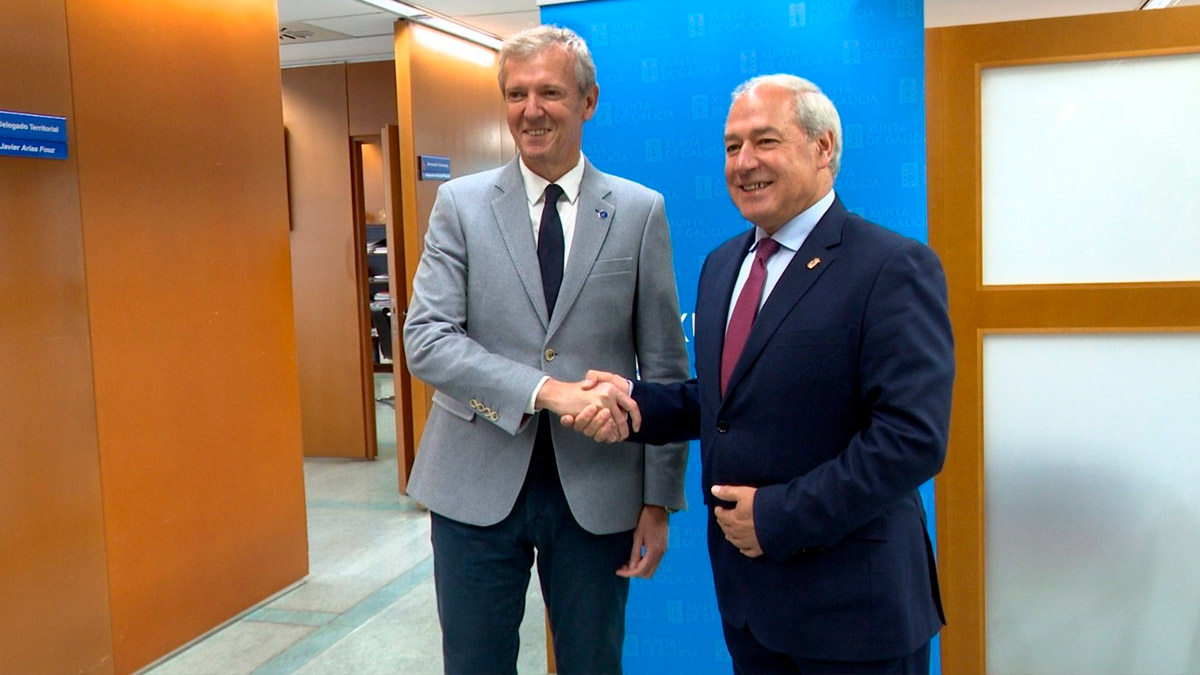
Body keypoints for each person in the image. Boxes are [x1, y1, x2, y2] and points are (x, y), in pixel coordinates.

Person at [568, 74, 953, 674]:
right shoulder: (724, 265)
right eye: (731, 146)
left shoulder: (892, 268)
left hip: (857, 614)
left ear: (823, 148)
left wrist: (778, 518)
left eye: (765, 141)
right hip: (752, 610)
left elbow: (912, 440)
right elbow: (727, 401)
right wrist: (637, 404)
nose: (743, 163)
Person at [401, 25, 690, 675]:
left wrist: (658, 499)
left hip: (599, 489)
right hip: (473, 481)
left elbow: (667, 368)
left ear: (588, 101)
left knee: (593, 662)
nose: (531, 110)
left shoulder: (641, 211)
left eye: (551, 92)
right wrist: (546, 391)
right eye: (516, 94)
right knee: (475, 663)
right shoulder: (461, 205)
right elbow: (426, 340)